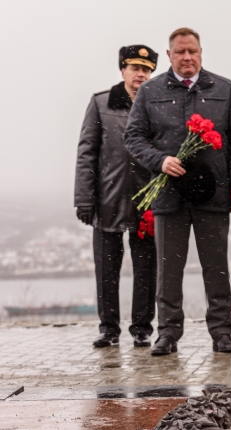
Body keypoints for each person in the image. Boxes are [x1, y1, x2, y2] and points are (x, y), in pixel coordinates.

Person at [125, 27, 231, 356]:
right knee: (169, 270)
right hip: (169, 195)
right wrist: (160, 160)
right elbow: (134, 138)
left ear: (201, 53)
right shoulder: (150, 91)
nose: (187, 57)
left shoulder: (223, 89)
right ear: (168, 55)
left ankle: (222, 332)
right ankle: (168, 334)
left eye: (192, 51)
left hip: (213, 195)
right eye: (180, 52)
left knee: (216, 267)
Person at [75, 45, 159, 348]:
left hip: (147, 202)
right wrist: (84, 198)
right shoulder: (100, 104)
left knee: (146, 269)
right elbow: (87, 153)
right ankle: (108, 329)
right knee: (107, 269)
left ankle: (141, 328)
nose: (141, 74)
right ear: (122, 69)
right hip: (107, 199)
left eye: (147, 69)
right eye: (135, 67)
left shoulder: (157, 104)